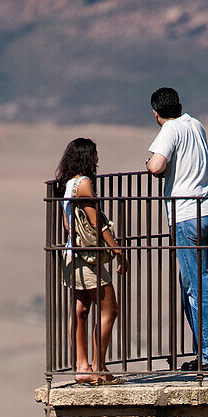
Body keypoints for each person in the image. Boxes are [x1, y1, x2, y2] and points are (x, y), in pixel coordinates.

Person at [146, 87, 208, 370]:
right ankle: (203, 352)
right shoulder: (196, 124)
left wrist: (148, 163)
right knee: (193, 283)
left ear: (156, 113)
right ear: (180, 105)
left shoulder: (170, 129)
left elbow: (156, 166)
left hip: (186, 215)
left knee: (198, 286)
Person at [56, 137, 126, 384]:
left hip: (70, 254)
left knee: (81, 309)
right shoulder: (84, 184)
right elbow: (97, 223)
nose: (98, 160)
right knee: (110, 309)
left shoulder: (67, 185)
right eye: (95, 154)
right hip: (87, 258)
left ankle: (82, 366)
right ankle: (99, 367)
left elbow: (67, 223)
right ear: (87, 157)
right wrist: (118, 250)